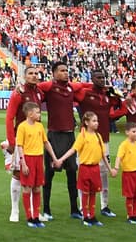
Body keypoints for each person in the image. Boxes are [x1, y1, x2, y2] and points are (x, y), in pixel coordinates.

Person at [39, 61, 87, 220]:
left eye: (67, 70)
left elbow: (82, 87)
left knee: (72, 173)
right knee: (50, 173)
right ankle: (46, 209)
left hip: (69, 136)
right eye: (62, 70)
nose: (66, 73)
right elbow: (36, 88)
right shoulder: (49, 88)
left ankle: (74, 209)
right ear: (54, 73)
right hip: (54, 136)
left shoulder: (70, 88)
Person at [74, 71, 122, 218]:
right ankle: (82, 207)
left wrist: (115, 94)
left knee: (103, 174)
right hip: (86, 139)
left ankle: (104, 206)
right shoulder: (85, 93)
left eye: (103, 77)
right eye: (98, 78)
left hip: (104, 139)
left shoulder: (107, 96)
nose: (101, 80)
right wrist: (88, 85)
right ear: (92, 79)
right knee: (83, 174)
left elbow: (117, 106)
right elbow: (72, 90)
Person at [3, 65, 47, 223]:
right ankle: (14, 210)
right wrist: (12, 141)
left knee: (34, 179)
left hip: (34, 141)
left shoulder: (39, 92)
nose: (34, 76)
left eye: (36, 73)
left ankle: (35, 212)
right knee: (17, 174)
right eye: (31, 73)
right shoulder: (18, 93)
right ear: (24, 76)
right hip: (20, 140)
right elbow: (9, 117)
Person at [53, 110, 106, 226]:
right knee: (86, 193)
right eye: (94, 121)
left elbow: (102, 154)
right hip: (85, 168)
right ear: (86, 122)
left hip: (95, 168)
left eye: (97, 121)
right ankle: (86, 216)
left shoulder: (98, 136)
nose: (97, 123)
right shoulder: (82, 136)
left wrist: (110, 168)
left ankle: (92, 216)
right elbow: (73, 149)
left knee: (93, 193)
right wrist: (61, 159)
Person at [14, 101, 56, 228]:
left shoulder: (39, 126)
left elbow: (46, 142)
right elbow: (20, 145)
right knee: (27, 187)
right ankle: (29, 217)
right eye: (37, 112)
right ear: (30, 113)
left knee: (37, 187)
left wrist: (54, 157)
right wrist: (23, 163)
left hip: (39, 159)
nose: (39, 114)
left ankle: (36, 216)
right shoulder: (22, 127)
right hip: (28, 158)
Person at [111, 121, 136, 225]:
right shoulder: (124, 145)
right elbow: (119, 157)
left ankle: (135, 215)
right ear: (127, 132)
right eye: (133, 131)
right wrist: (116, 168)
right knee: (130, 195)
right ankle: (130, 215)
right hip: (129, 174)